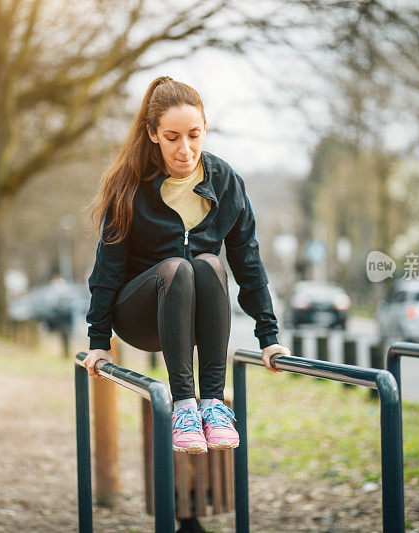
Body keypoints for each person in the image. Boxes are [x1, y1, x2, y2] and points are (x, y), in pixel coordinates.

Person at [82, 76, 291, 454]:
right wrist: (99, 341)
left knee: (209, 264)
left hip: (193, 320)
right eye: (173, 137)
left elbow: (248, 261)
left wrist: (269, 337)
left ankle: (211, 405)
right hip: (140, 315)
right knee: (177, 267)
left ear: (205, 129)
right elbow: (108, 267)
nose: (185, 148)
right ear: (153, 134)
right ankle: (184, 408)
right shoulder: (130, 186)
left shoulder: (226, 182)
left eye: (194, 135)